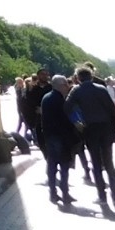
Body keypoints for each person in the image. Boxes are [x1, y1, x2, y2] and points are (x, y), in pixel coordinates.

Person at [67, 65, 115, 208]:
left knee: (96, 163)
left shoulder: (76, 91)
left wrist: (77, 121)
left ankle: (102, 196)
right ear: (91, 76)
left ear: (78, 78)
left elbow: (66, 108)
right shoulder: (101, 89)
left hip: (90, 130)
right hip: (106, 129)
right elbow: (112, 110)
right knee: (109, 163)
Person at [37, 75, 80, 206]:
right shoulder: (60, 100)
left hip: (49, 136)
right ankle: (65, 194)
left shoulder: (46, 97)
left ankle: (53, 193)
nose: (67, 86)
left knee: (52, 165)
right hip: (60, 137)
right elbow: (64, 119)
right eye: (66, 84)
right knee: (64, 166)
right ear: (60, 86)